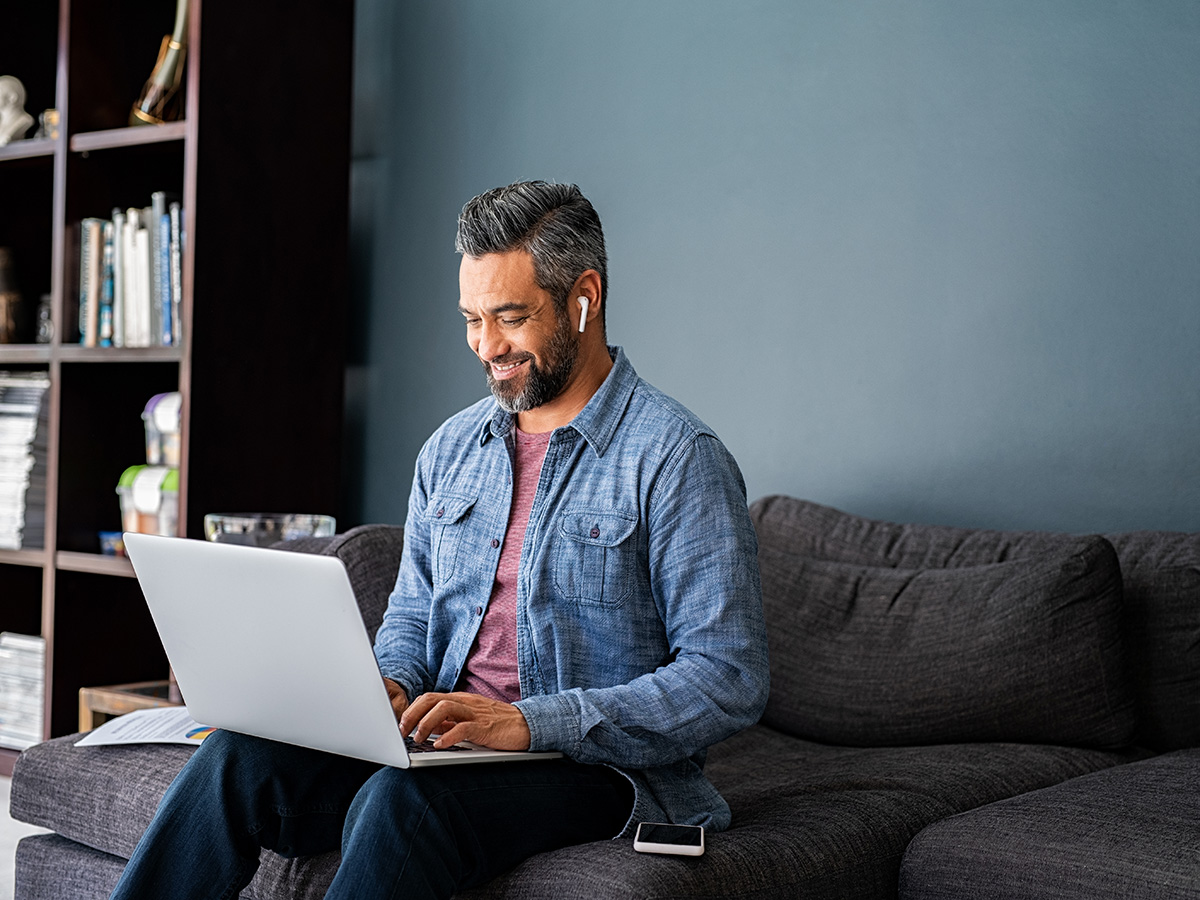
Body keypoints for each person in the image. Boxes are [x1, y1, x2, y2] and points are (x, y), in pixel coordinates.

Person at [109, 180, 768, 900]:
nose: (487, 347)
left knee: (406, 804)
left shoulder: (676, 456)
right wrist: (386, 687)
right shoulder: (452, 449)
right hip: (446, 749)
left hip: (595, 770)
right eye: (471, 319)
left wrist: (528, 723)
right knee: (237, 758)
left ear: (585, 297)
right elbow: (416, 618)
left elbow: (727, 677)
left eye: (510, 318)